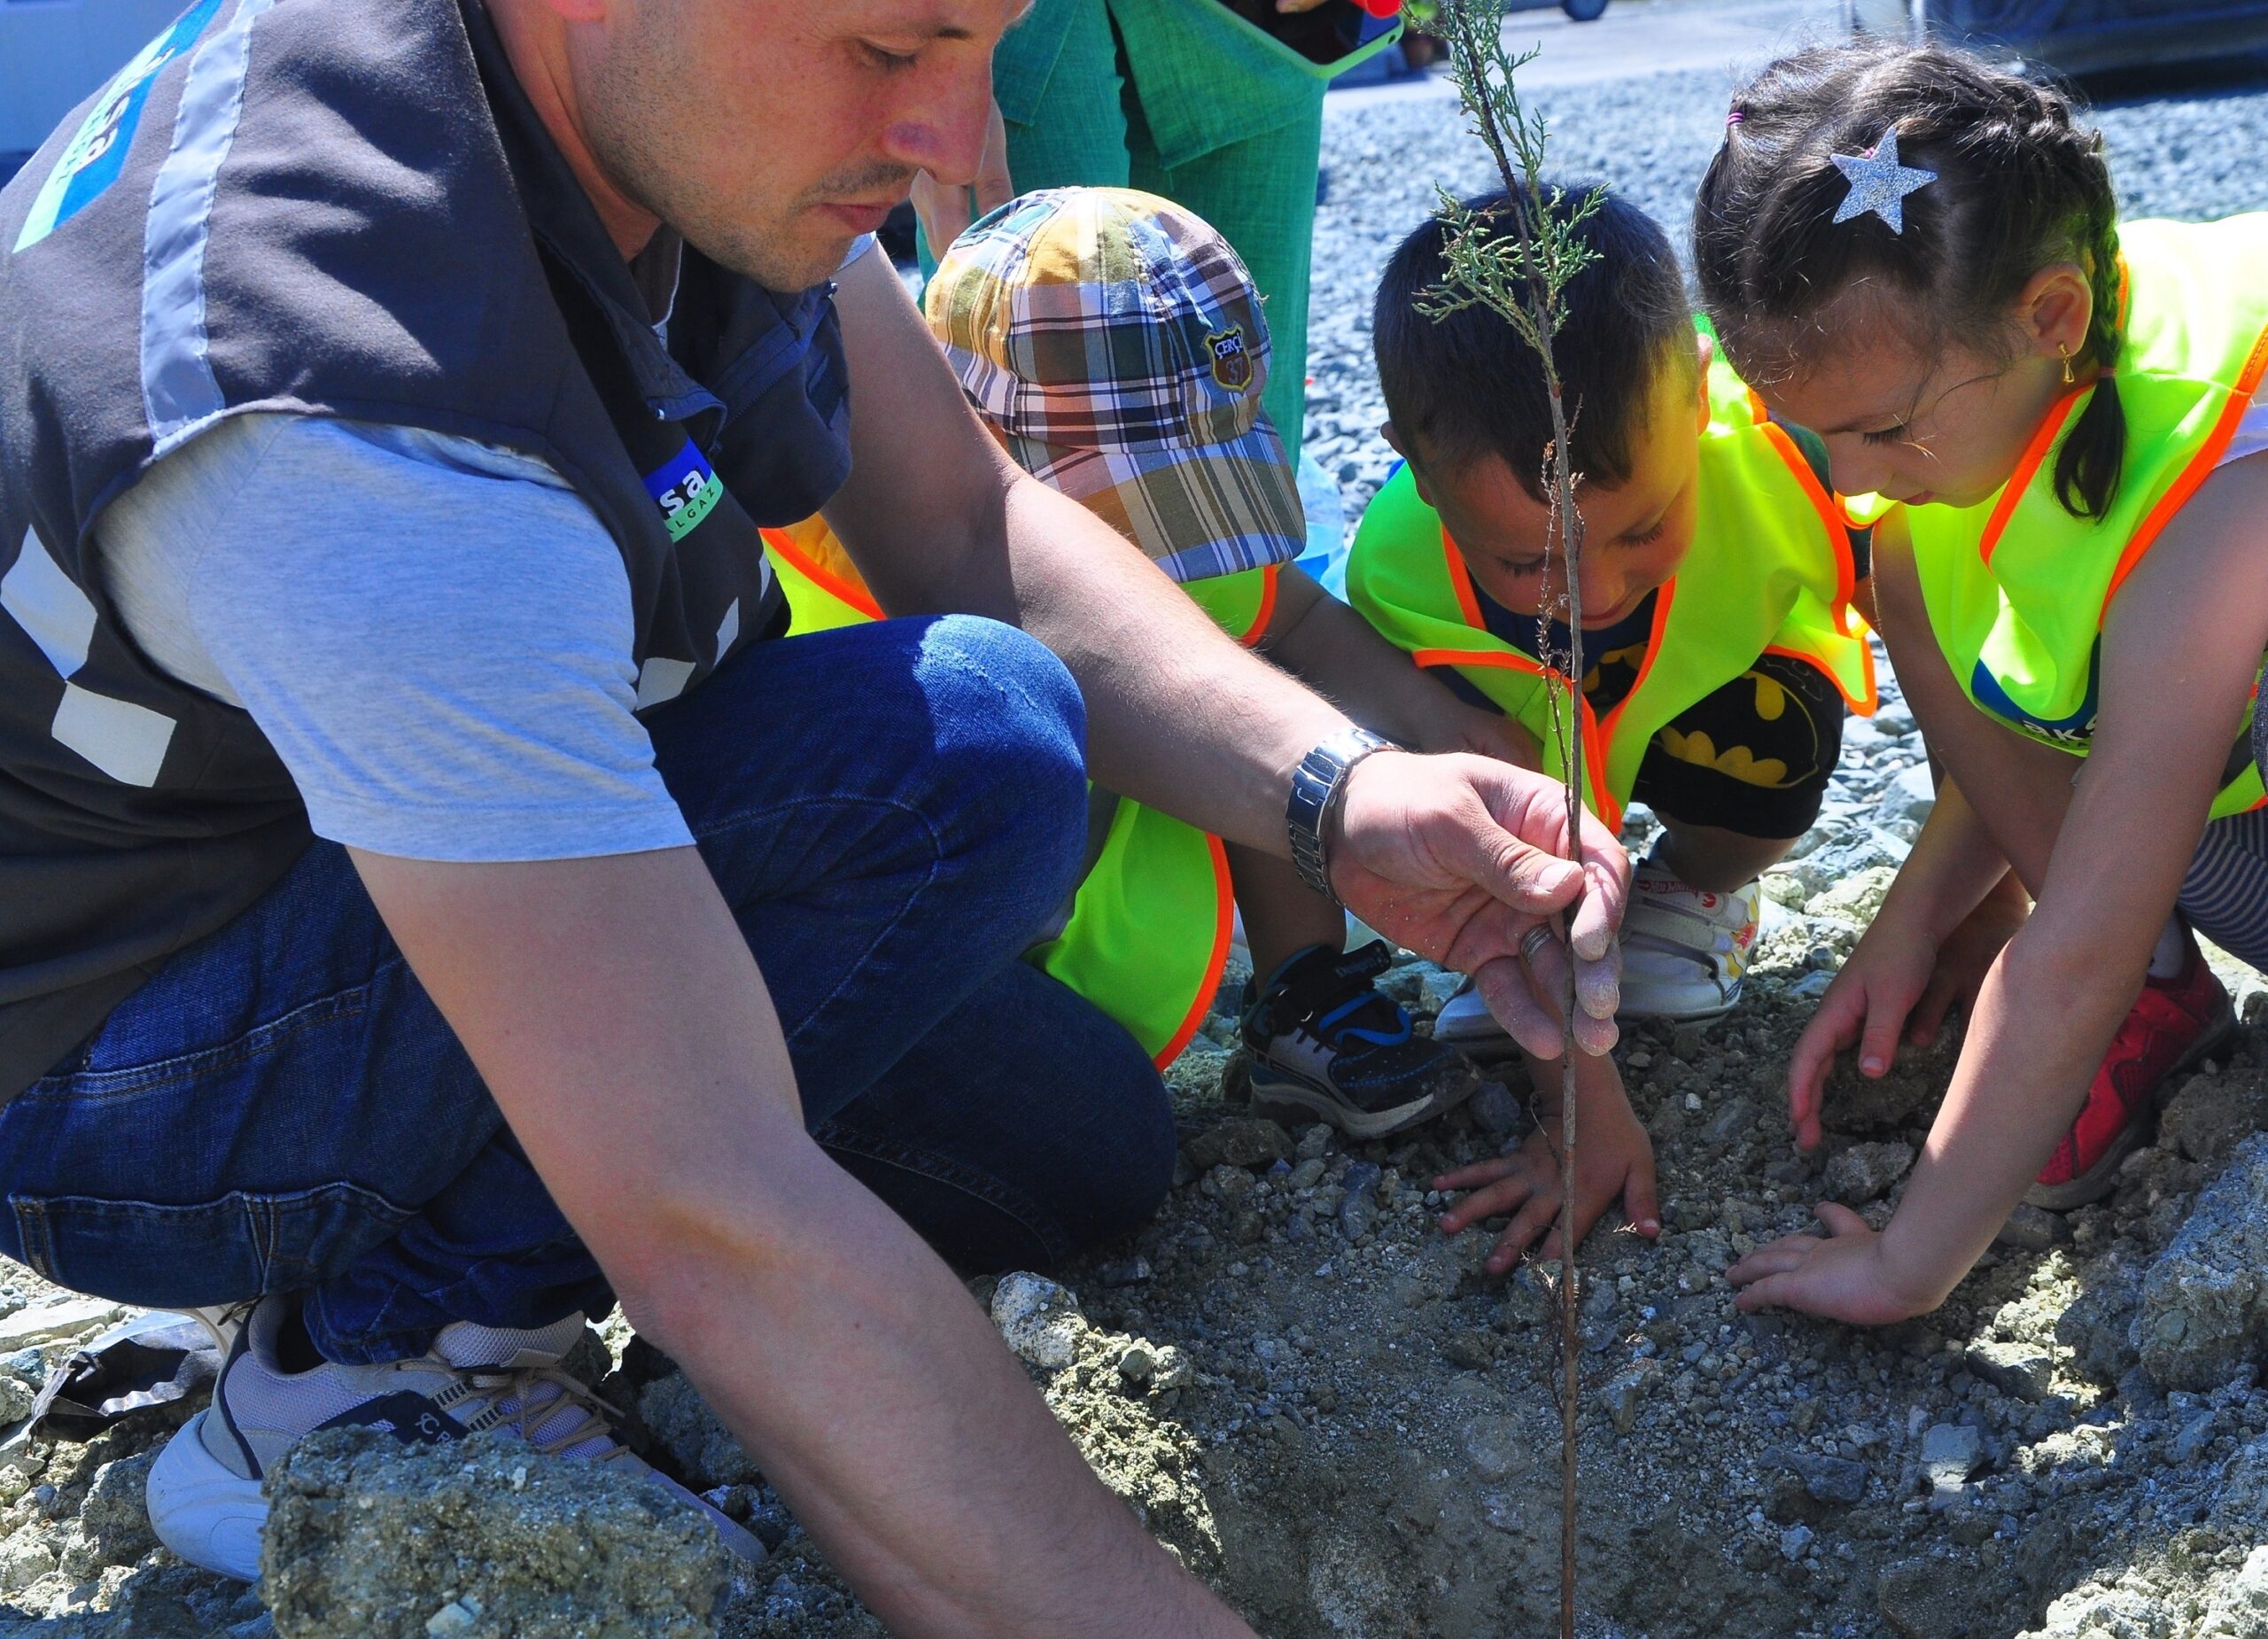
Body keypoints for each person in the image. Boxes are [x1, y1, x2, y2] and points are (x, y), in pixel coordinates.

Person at [0, 0, 1628, 1622]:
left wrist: (1342, 794)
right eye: (890, 48)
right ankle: (360, 1365)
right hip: (125, 1052)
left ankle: (403, 1223)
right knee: (959, 760)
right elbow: (708, 1217)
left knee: (1074, 1149)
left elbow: (966, 519)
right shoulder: (359, 401)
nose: (952, 138)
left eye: (988, 37)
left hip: (397, 839)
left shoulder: (683, 118)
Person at [1691, 41, 2268, 1324]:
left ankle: (2128, 995)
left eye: (1883, 431)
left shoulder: (2221, 477)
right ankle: (2163, 997)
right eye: (1814, 435)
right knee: (1906, 564)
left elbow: (2074, 949)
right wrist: (1914, 918)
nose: (1846, 479)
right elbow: (2047, 710)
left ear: (2052, 318)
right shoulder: (1995, 351)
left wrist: (1907, 1263)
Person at [773, 185, 1539, 1137]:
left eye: (1192, 496)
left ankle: (1304, 990)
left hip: (1098, 901)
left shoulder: (1183, 563)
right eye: (1127, 508)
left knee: (1263, 683)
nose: (1165, 559)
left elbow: (1289, 616)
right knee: (1088, 1134)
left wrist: (1439, 721)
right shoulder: (826, 590)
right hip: (932, 952)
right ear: (967, 432)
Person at [1346, 184, 1878, 1267]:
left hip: (1708, 701)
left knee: (1775, 730)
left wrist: (1976, 902)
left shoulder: (1789, 456)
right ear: (1415, 464)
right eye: (1526, 561)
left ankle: (1694, 887)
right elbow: (1490, 820)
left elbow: (1953, 644)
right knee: (1468, 798)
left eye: (1644, 527)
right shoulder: (1398, 577)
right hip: (1521, 758)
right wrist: (1577, 1103)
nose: (1593, 595)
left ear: (1697, 389)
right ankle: (1517, 958)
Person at [910, 0, 1403, 453]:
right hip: (1024, 23)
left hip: (1257, 34)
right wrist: (923, 41)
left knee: (1251, 438)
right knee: (1022, 425)